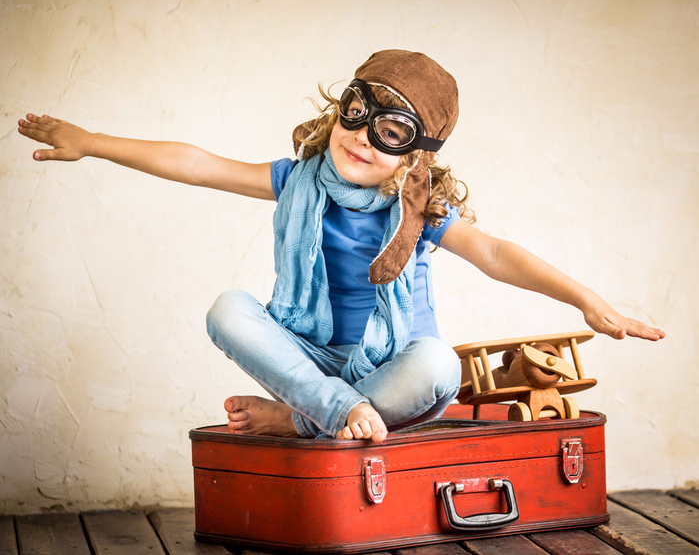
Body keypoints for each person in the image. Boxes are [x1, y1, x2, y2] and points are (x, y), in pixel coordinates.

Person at [18, 50, 665, 444]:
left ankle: (298, 417)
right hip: (307, 354)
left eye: (389, 131)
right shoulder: (295, 179)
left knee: (438, 366)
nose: (361, 137)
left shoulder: (415, 209)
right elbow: (197, 163)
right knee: (227, 308)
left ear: (413, 155)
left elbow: (494, 253)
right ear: (340, 108)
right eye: (356, 111)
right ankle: (327, 405)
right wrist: (93, 141)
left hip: (386, 369)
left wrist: (587, 299)